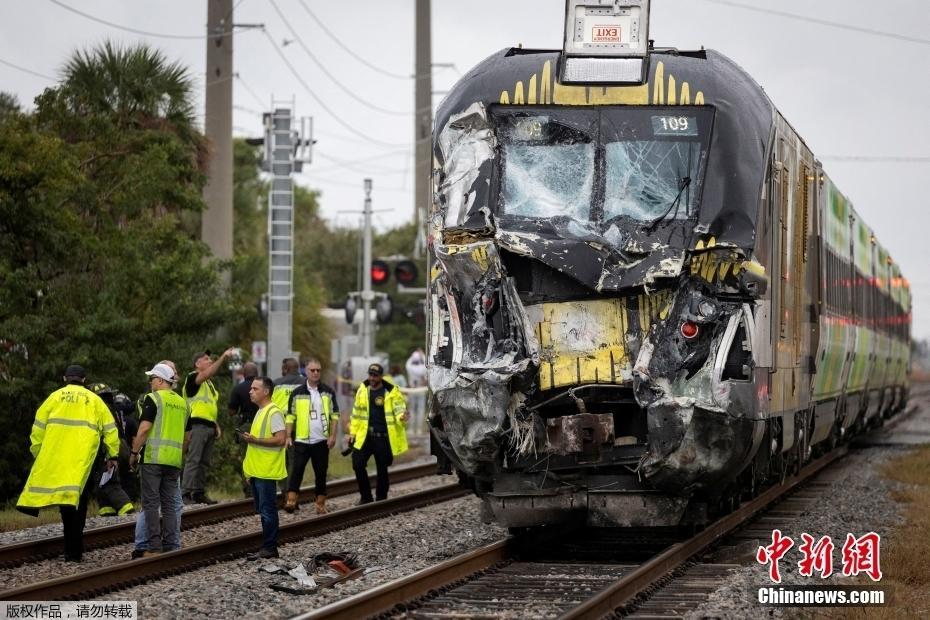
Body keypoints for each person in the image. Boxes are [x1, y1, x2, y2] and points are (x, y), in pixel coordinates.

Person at [16, 365, 120, 562]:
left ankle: (70, 549)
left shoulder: (53, 398)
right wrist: (112, 456)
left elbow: (37, 429)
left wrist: (40, 455)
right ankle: (75, 551)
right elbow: (110, 430)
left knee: (65, 506)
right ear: (84, 379)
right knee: (79, 504)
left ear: (65, 378)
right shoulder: (95, 400)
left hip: (56, 461)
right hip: (83, 462)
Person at [130, 362, 189, 556]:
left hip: (152, 460)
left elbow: (144, 428)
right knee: (171, 505)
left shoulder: (153, 399)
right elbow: (187, 436)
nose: (150, 382)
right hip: (173, 462)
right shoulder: (183, 403)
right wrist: (179, 454)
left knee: (151, 504)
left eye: (153, 379)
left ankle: (154, 547)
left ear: (162, 381)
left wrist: (134, 452)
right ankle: (172, 545)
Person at [283, 358, 339, 514]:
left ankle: (320, 504)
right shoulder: (297, 393)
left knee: (321, 473)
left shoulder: (328, 392)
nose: (315, 373)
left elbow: (335, 415)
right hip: (301, 440)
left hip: (321, 441)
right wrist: (288, 435)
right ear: (305, 372)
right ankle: (291, 500)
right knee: (297, 471)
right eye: (312, 370)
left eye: (318, 370)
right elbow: (290, 416)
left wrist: (333, 436)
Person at [348, 363, 408, 504]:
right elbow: (356, 414)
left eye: (375, 376)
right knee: (357, 464)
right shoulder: (362, 391)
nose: (372, 378)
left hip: (383, 437)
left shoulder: (391, 392)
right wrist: (352, 433)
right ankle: (366, 497)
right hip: (365, 437)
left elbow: (399, 408)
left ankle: (381, 499)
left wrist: (402, 416)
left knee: (382, 469)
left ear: (381, 376)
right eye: (370, 375)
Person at [181, 347, 235, 505]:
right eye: (206, 359)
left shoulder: (209, 385)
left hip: (209, 426)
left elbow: (209, 406)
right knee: (194, 460)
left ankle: (198, 493)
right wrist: (223, 357)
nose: (210, 361)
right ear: (197, 363)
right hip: (197, 425)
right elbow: (208, 373)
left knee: (204, 462)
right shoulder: (193, 378)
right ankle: (185, 493)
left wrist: (215, 424)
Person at [242, 376, 287, 559]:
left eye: (255, 389)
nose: (250, 391)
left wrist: (255, 440)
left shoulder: (273, 412)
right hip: (258, 470)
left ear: (266, 391)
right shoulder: (261, 411)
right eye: (251, 388)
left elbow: (281, 438)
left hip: (267, 471)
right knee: (264, 510)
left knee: (268, 511)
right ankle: (267, 546)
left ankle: (270, 548)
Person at [88, 383, 135, 517]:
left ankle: (127, 510)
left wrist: (109, 455)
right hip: (121, 445)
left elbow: (105, 433)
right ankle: (108, 511)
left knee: (109, 480)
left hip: (111, 447)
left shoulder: (99, 409)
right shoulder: (113, 408)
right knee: (101, 482)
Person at [228, 361, 260, 497]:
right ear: (257, 374)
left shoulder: (238, 388)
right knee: (261, 456)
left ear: (244, 374)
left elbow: (231, 411)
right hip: (262, 424)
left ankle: (248, 489)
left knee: (246, 458)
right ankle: (261, 486)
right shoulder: (264, 387)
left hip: (246, 425)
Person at [405, 348, 427, 433]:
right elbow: (426, 362)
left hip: (412, 389)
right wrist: (422, 354)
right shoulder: (423, 368)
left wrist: (412, 356)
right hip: (421, 389)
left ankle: (411, 429)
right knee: (420, 410)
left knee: (412, 410)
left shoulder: (410, 367)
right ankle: (419, 429)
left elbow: (407, 363)